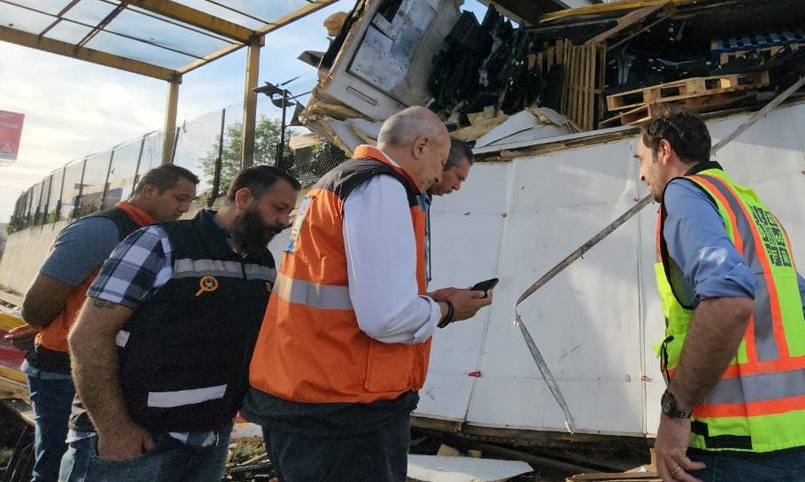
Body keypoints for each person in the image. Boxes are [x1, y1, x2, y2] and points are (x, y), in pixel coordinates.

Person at [243, 106, 493, 482]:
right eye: (442, 162)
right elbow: (387, 319)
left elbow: (346, 292)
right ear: (421, 146)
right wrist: (445, 309)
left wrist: (427, 302)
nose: (440, 175)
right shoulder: (382, 186)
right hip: (343, 412)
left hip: (306, 394)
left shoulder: (334, 184)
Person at [59, 165, 301, 482]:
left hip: (207, 444)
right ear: (243, 198)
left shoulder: (261, 264)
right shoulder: (159, 244)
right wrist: (114, 428)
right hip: (136, 446)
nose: (284, 222)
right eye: (279, 209)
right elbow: (89, 336)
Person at [634, 107, 805, 482]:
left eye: (641, 159)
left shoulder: (685, 194)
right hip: (801, 443)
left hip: (733, 452)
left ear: (665, 151)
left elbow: (728, 301)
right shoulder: (748, 205)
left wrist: (675, 413)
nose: (641, 174)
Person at [15, 164, 198, 482]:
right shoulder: (102, 231)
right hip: (62, 370)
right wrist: (48, 328)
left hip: (97, 367)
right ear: (148, 190)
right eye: (178, 198)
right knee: (57, 464)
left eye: (188, 201)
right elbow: (37, 306)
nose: (184, 208)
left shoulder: (150, 235)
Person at [420, 137, 474, 284]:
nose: (458, 187)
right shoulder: (407, 196)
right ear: (441, 164)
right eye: (458, 177)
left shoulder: (422, 198)